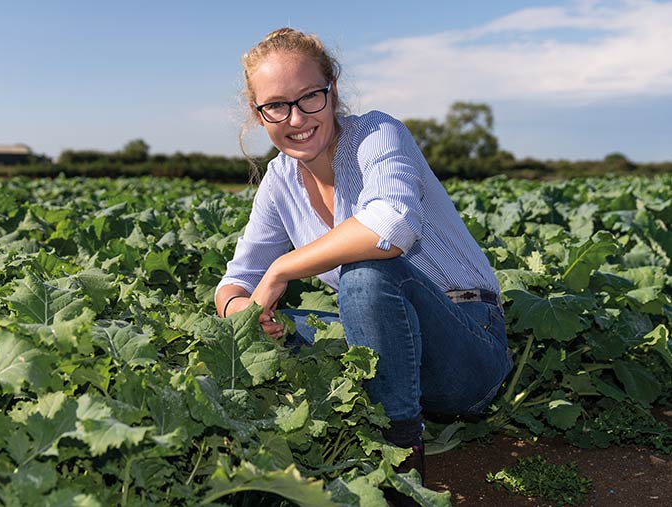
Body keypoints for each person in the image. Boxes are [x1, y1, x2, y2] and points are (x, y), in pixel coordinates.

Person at [214, 27, 513, 502]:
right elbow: (235, 280)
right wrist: (247, 314)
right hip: (381, 346)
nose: (296, 118)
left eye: (309, 97)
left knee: (367, 272)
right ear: (258, 113)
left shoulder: (376, 133)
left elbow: (389, 226)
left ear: (332, 91)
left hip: (465, 343)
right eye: (276, 105)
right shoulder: (279, 180)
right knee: (277, 327)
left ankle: (398, 461)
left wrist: (283, 268)